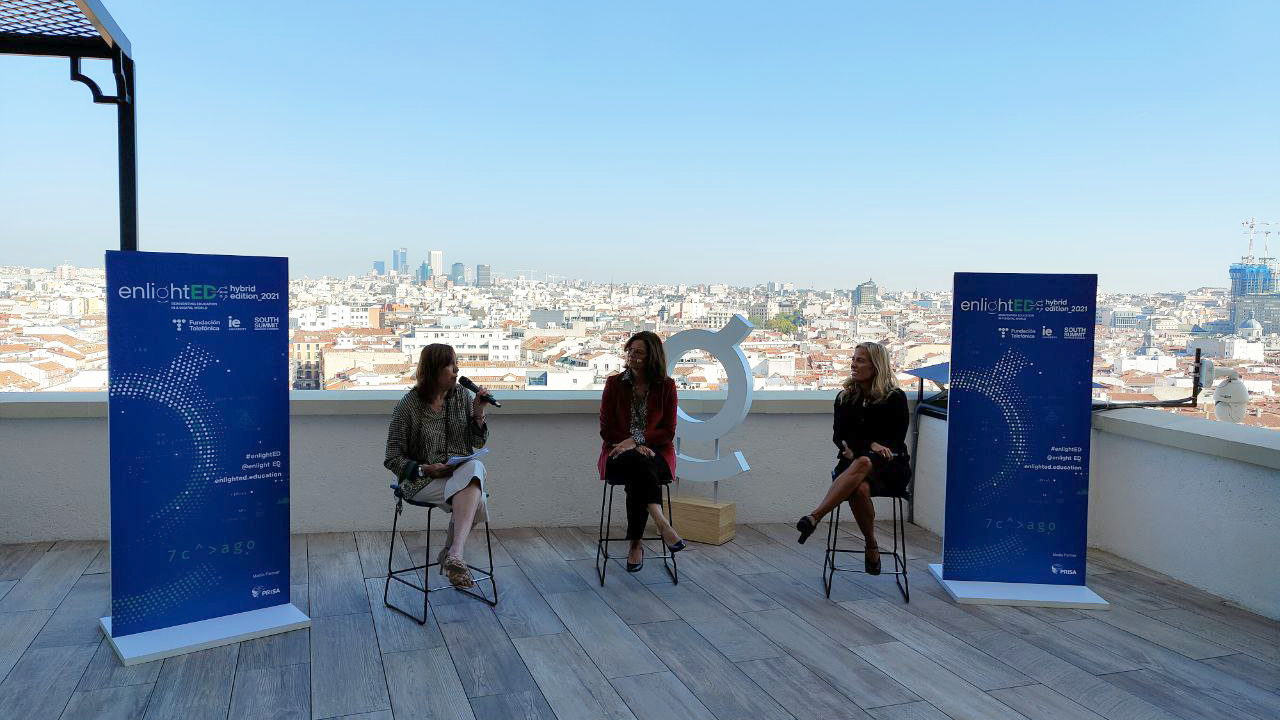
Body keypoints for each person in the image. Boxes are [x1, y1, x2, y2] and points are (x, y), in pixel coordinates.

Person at [385, 343, 494, 589]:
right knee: (479, 498)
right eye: (450, 364)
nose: (457, 369)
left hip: (457, 474)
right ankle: (451, 555)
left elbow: (477, 441)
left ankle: (454, 553)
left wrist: (479, 412)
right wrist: (426, 469)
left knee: (474, 466)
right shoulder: (408, 407)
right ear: (434, 370)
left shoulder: (462, 398)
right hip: (421, 480)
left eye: (457, 363)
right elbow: (392, 457)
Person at [795, 341, 910, 574]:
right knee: (859, 486)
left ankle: (815, 516)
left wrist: (862, 447)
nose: (853, 364)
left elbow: (895, 440)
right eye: (853, 359)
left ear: (875, 366)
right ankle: (871, 544)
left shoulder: (895, 398)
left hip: (890, 466)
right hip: (852, 467)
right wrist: (870, 444)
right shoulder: (845, 398)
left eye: (860, 360)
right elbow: (840, 437)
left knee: (865, 461)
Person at [598, 331, 686, 571]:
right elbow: (606, 429)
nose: (632, 356)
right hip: (618, 452)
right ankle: (662, 523)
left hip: (657, 454)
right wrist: (633, 445)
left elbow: (668, 431)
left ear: (652, 357)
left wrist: (637, 441)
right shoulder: (614, 384)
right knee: (639, 464)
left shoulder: (666, 386)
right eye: (630, 350)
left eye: (639, 352)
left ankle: (636, 544)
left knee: (641, 468)